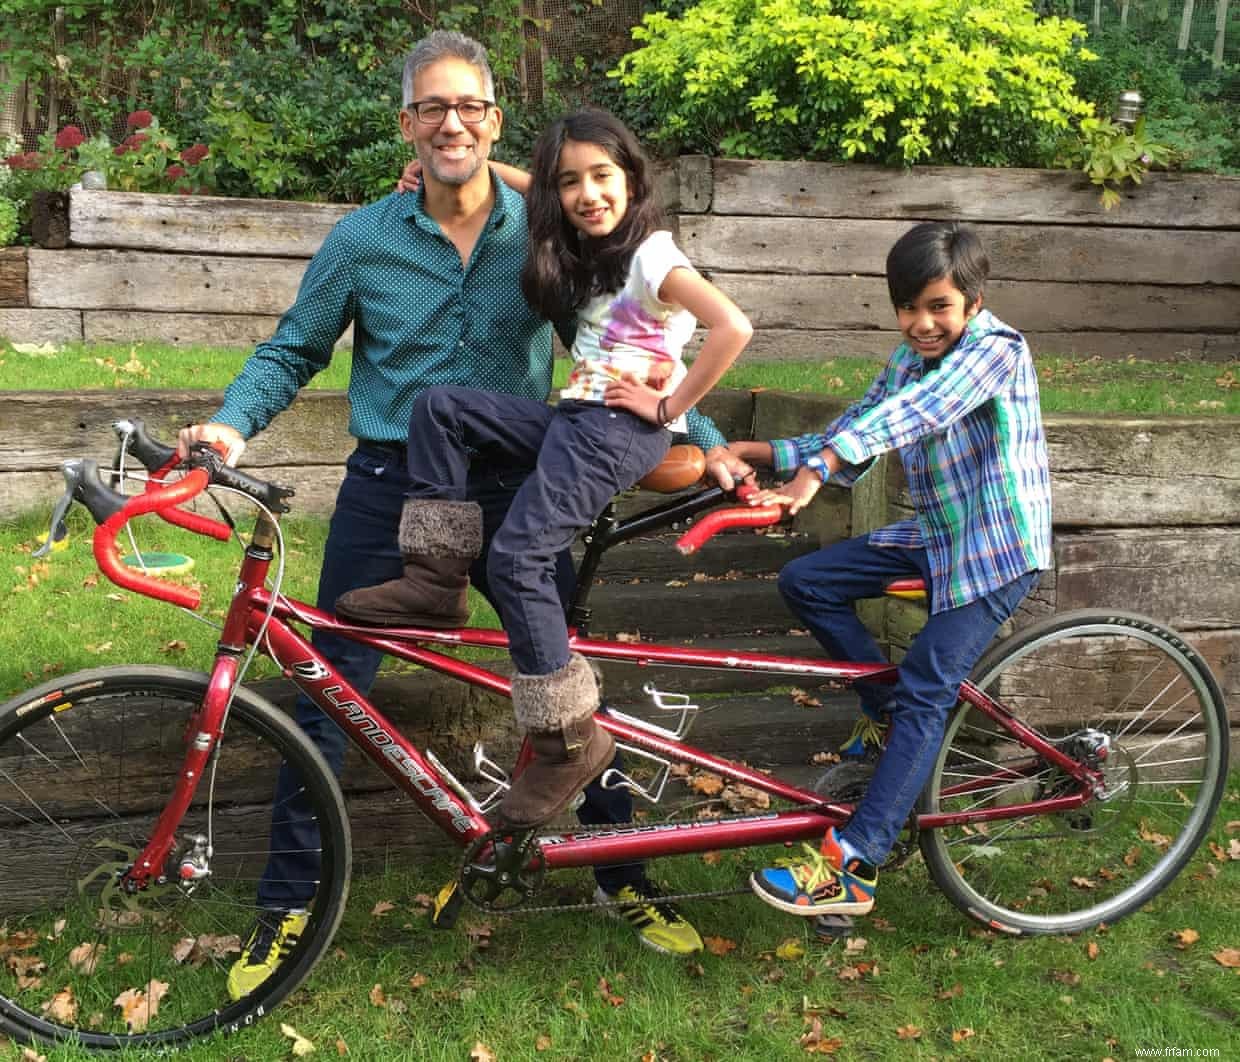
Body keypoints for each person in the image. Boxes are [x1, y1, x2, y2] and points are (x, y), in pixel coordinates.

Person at [178, 33, 750, 996]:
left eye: (471, 108)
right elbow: (293, 349)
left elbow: (618, 332)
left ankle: (623, 876)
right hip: (387, 492)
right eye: (432, 108)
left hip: (522, 484)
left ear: (492, 121)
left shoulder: (546, 229)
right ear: (407, 123)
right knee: (324, 694)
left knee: (565, 680)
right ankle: (284, 912)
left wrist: (701, 434)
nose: (452, 122)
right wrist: (232, 430)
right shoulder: (364, 237)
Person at [337, 107, 753, 830]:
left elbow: (733, 326)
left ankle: (567, 743)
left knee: (521, 556)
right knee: (440, 408)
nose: (588, 193)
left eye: (603, 177)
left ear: (632, 178)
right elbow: (535, 187)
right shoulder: (587, 240)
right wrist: (463, 168)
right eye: (571, 182)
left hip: (621, 429)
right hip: (578, 417)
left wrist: (670, 408)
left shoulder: (653, 254)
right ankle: (435, 581)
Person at [723, 221, 1052, 917]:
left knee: (931, 684)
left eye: (938, 306)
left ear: (973, 299)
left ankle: (856, 863)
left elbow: (918, 414)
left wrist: (822, 471)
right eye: (908, 307)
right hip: (935, 535)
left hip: (995, 549)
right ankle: (885, 713)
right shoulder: (909, 358)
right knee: (805, 582)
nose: (921, 323)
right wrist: (762, 453)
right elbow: (863, 420)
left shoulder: (996, 349)